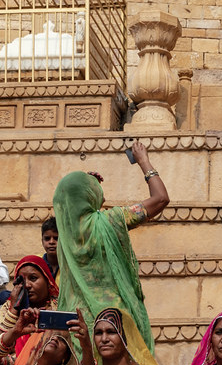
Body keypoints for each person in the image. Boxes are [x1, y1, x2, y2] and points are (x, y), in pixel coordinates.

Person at [53, 143, 169, 350]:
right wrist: (144, 161)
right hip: (114, 322)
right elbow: (160, 199)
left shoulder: (63, 239)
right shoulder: (110, 221)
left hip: (80, 325)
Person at [0, 255, 58, 365]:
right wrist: (14, 310)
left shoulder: (58, 306)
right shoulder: (10, 306)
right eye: (22, 281)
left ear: (48, 281)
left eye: (33, 278)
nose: (27, 285)